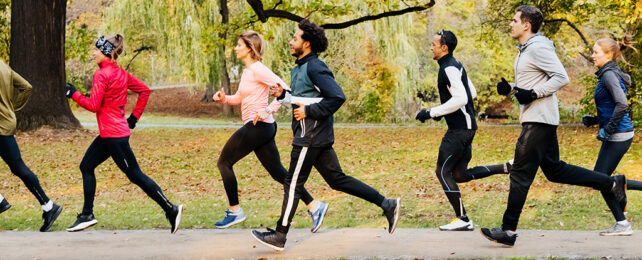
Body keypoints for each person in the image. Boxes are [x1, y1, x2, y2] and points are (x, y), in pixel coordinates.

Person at [480, 5, 628, 246]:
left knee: (520, 173)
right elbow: (532, 85)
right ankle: (610, 183)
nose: (511, 24)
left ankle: (508, 231)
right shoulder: (527, 48)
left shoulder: (538, 47)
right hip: (538, 118)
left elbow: (561, 77)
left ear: (526, 25)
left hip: (538, 120)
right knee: (555, 170)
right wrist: (512, 90)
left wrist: (534, 93)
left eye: (514, 20)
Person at [251, 20, 400, 251]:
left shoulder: (315, 67)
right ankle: (387, 204)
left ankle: (280, 235)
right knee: (336, 179)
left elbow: (336, 97)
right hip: (313, 135)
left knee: (292, 184)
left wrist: (309, 111)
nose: (291, 41)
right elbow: (305, 98)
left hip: (309, 137)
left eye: (295, 38)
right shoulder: (299, 67)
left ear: (307, 44)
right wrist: (284, 96)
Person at [212, 31, 328, 231]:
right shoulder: (248, 71)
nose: (235, 48)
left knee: (224, 162)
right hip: (262, 128)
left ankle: (234, 211)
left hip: (259, 126)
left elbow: (286, 90)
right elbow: (239, 97)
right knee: (279, 173)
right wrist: (223, 99)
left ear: (249, 48)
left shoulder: (258, 69)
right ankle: (315, 206)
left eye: (239, 45)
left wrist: (266, 109)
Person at [65, 34, 183, 233]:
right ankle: (87, 215)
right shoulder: (121, 73)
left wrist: (74, 94)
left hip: (114, 137)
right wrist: (133, 119)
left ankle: (171, 209)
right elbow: (144, 91)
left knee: (135, 175)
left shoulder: (101, 75)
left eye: (96, 50)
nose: (94, 53)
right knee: (86, 166)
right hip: (111, 134)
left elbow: (94, 106)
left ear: (106, 52)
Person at [415, 30, 511, 231]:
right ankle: (504, 167)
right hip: (467, 127)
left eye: (433, 44)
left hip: (459, 130)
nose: (430, 47)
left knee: (442, 171)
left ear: (444, 48)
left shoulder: (448, 69)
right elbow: (471, 92)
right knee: (459, 174)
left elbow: (461, 98)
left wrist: (432, 112)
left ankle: (463, 219)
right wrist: (446, 111)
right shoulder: (455, 64)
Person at [582, 36, 641, 235]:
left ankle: (623, 224)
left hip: (619, 134)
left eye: (596, 52)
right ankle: (622, 221)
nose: (592, 55)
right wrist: (596, 120)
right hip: (619, 133)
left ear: (608, 55)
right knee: (601, 178)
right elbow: (612, 106)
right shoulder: (610, 72)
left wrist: (607, 129)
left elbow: (622, 104)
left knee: (600, 179)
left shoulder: (608, 75)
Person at [0, 60, 62, 231]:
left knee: (19, 167)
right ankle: (49, 206)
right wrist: (11, 108)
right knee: (18, 167)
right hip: (6, 123)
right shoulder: (3, 66)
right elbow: (26, 87)